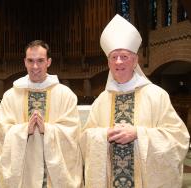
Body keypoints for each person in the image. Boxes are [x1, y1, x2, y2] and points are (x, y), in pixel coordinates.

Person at [80, 14, 190, 188]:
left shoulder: (156, 95)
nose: (118, 61)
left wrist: (138, 134)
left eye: (124, 56)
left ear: (135, 60)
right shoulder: (102, 100)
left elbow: (179, 138)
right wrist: (104, 135)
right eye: (113, 57)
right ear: (108, 62)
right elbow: (84, 140)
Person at [0, 40, 83, 188]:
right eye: (30, 61)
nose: (35, 66)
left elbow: (73, 133)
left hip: (52, 177)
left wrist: (47, 130)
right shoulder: (11, 96)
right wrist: (24, 130)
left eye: (40, 61)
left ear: (48, 62)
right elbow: (2, 132)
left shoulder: (65, 94)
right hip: (25, 175)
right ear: (25, 62)